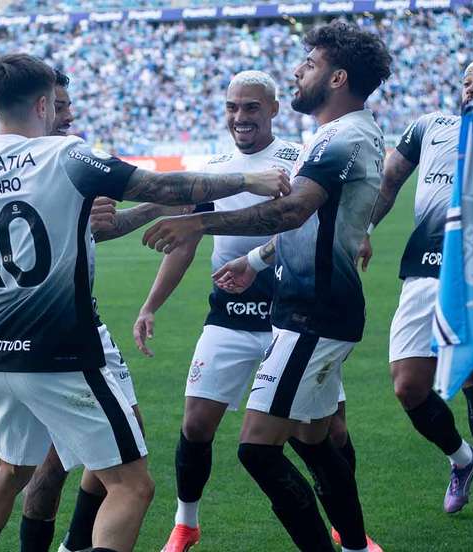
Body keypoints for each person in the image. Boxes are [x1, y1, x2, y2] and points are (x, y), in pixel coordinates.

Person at [0, 53, 289, 552]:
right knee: (132, 485)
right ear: (41, 104)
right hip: (62, 347)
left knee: (10, 471)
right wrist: (248, 179)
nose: (64, 115)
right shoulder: (65, 154)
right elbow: (161, 185)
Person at [143, 20, 391, 552]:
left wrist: (200, 224)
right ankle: (353, 544)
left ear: (337, 76)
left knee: (257, 448)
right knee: (314, 436)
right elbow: (303, 225)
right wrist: (256, 260)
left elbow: (293, 208)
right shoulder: (334, 135)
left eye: (310, 64)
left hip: (313, 314)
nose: (299, 71)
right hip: (308, 310)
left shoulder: (342, 138)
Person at [358, 57, 473, 538]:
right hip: (420, 269)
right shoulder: (428, 127)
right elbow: (388, 182)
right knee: (408, 386)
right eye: (465, 81)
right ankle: (462, 460)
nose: (469, 89)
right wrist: (365, 228)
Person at [130, 70, 311, 552]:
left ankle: (343, 525)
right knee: (195, 423)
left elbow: (301, 226)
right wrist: (151, 306)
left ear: (273, 109)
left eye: (251, 107)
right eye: (232, 107)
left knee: (316, 431)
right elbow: (185, 240)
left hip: (291, 315)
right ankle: (186, 524)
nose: (240, 117)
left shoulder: (296, 158)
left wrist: (255, 261)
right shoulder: (216, 167)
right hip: (229, 312)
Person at [18, 68, 190, 552]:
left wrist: (151, 212)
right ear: (38, 108)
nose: (69, 114)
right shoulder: (35, 166)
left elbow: (98, 232)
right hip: (54, 333)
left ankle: (76, 544)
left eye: (70, 105)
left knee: (119, 440)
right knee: (54, 466)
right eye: (60, 105)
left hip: (86, 328)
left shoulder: (72, 160)